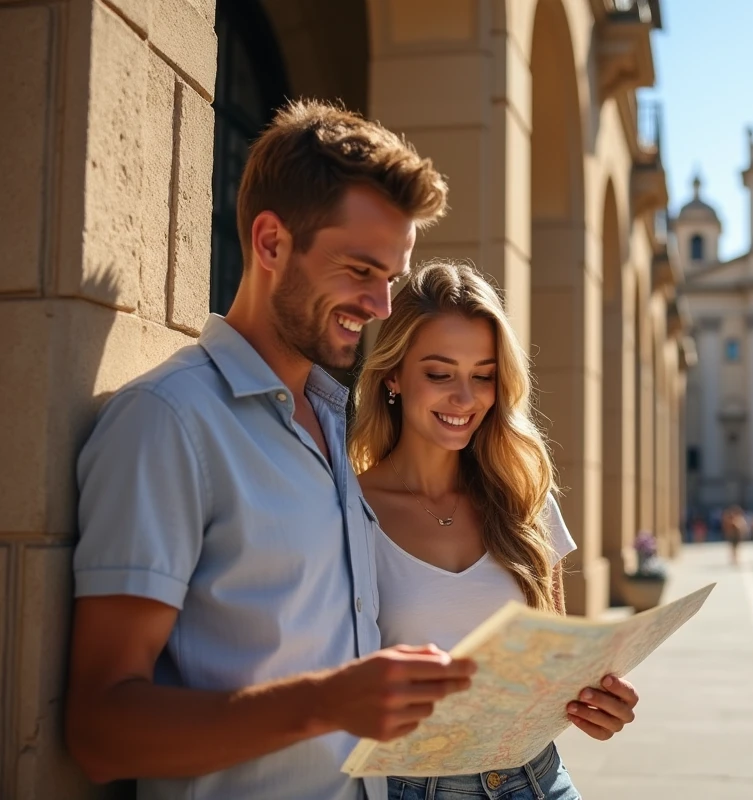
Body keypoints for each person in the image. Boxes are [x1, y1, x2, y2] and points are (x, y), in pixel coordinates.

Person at [66, 101, 475, 799]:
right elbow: (100, 732)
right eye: (359, 269)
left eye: (391, 279)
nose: (380, 306)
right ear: (270, 243)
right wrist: (326, 703)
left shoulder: (333, 421)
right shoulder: (169, 422)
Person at [350, 261, 638, 799]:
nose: (466, 399)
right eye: (440, 374)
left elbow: (554, 658)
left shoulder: (523, 500)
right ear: (393, 375)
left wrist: (595, 701)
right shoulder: (347, 511)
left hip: (538, 780)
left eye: (483, 375)